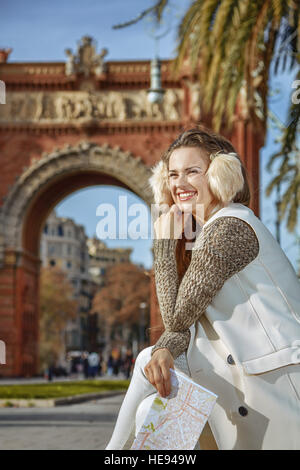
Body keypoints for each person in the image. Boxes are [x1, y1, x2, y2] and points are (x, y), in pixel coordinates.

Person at [106, 126, 300, 450]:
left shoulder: (229, 226)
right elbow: (181, 328)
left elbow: (177, 318)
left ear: (220, 175)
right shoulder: (206, 231)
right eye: (172, 175)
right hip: (240, 377)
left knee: (146, 365)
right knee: (152, 409)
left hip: (277, 383)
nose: (179, 184)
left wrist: (165, 244)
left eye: (192, 172)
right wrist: (165, 349)